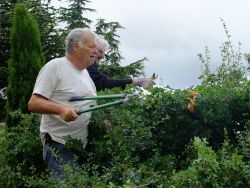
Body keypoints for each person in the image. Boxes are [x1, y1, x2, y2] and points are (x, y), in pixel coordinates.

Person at [28, 28, 98, 176]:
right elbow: (34, 103)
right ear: (75, 46)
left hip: (79, 146)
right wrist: (61, 110)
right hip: (58, 144)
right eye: (91, 46)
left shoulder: (85, 73)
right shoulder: (55, 67)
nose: (96, 51)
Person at [87, 36, 155, 91]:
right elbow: (104, 83)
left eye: (104, 53)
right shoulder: (87, 66)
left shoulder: (90, 66)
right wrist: (133, 81)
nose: (102, 56)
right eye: (100, 51)